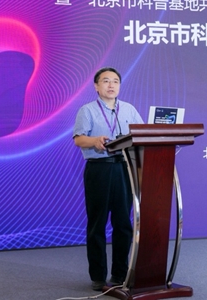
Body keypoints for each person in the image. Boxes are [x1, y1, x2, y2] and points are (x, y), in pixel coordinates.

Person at [73, 67, 144, 291]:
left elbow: (143, 135)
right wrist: (94, 141)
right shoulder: (87, 110)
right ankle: (98, 276)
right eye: (105, 81)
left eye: (115, 81)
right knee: (98, 223)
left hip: (124, 168)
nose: (111, 85)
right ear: (96, 86)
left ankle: (119, 274)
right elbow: (78, 139)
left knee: (123, 224)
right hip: (99, 170)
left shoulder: (129, 110)